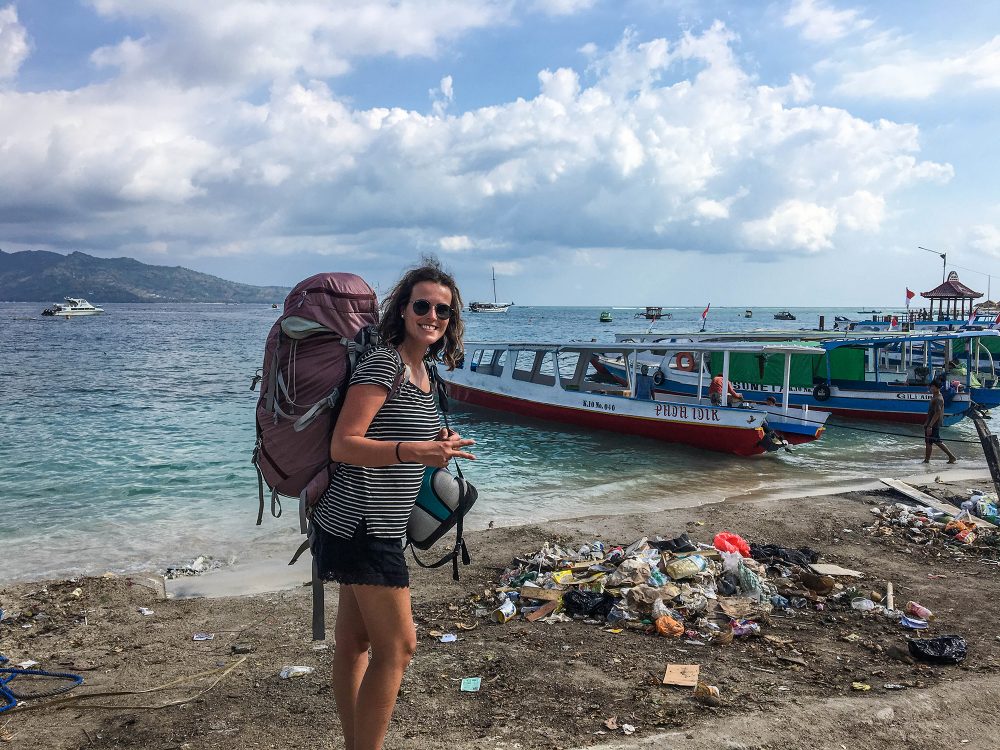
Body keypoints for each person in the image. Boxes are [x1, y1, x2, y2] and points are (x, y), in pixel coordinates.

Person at [310, 259, 475, 750]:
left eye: (442, 309)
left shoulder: (424, 374)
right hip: (359, 523)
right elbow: (344, 444)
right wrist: (414, 450)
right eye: (421, 305)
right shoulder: (385, 364)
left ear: (451, 319)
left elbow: (402, 436)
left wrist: (438, 444)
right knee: (399, 649)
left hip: (379, 525)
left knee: (355, 645)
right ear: (402, 309)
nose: (432, 315)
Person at [923, 379, 957, 464]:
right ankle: (927, 460)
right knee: (932, 441)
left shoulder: (938, 398)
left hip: (933, 424)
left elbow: (937, 413)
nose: (932, 388)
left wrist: (930, 426)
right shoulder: (934, 396)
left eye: (934, 387)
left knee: (934, 441)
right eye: (931, 386)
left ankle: (951, 457)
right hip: (930, 423)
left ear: (938, 388)